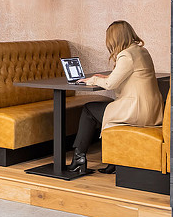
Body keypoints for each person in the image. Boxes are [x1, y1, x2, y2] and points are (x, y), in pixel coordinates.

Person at [67, 21, 163, 175]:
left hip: (136, 111)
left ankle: (79, 159)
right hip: (153, 111)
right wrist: (104, 77)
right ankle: (114, 161)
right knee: (105, 109)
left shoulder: (126, 55)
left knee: (88, 110)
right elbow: (127, 76)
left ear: (115, 38)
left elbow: (110, 84)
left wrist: (92, 79)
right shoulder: (141, 51)